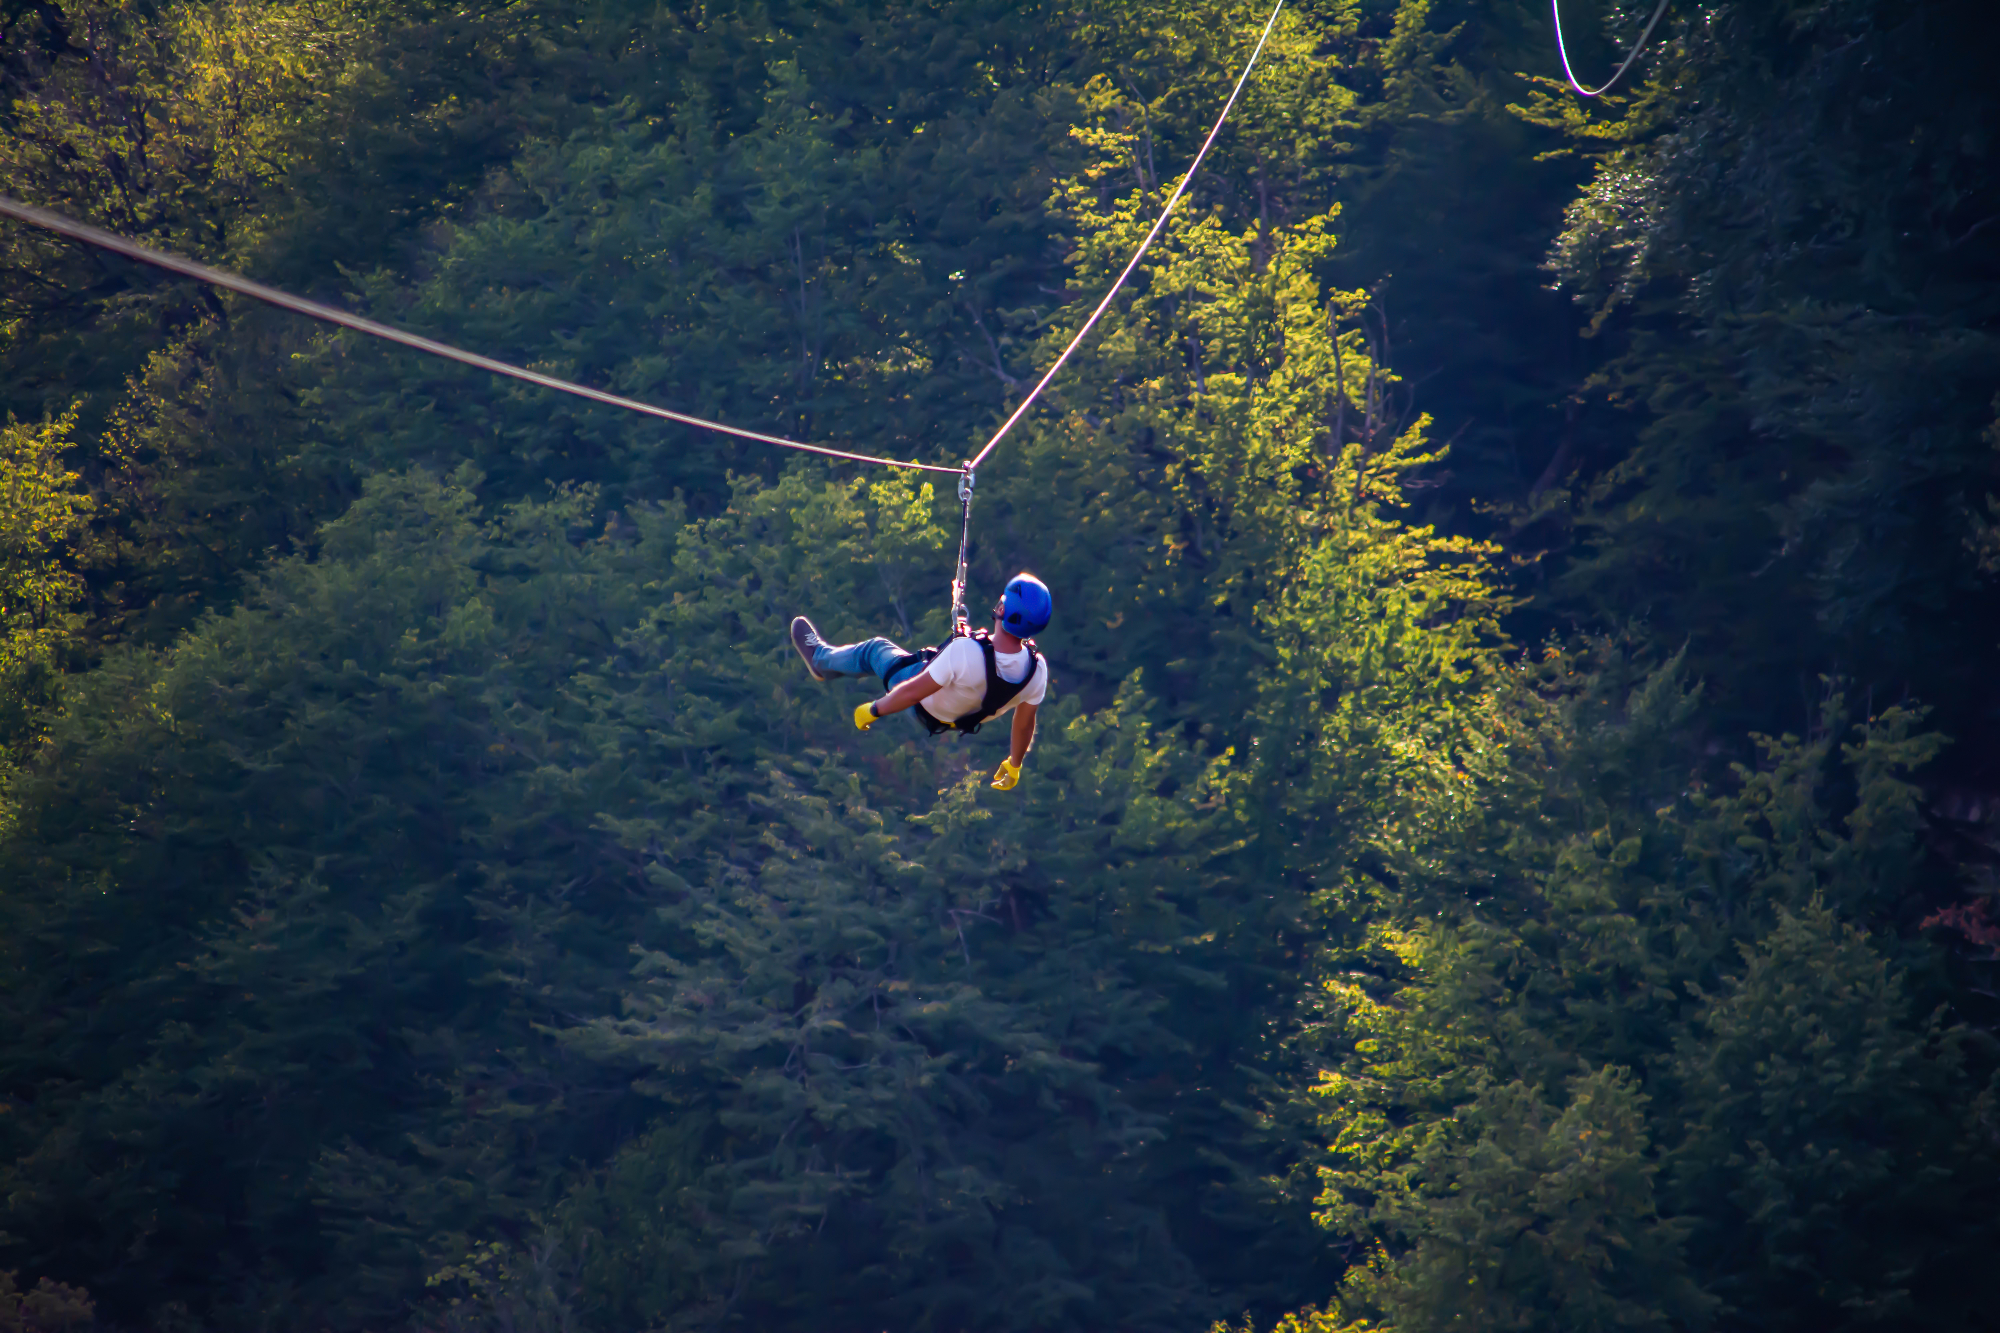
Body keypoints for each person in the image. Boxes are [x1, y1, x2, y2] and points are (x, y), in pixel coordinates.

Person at [789, 574, 1052, 791]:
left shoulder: (966, 652)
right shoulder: (1036, 669)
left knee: (875, 650)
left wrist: (874, 710)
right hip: (956, 719)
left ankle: (820, 660)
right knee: (937, 659)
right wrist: (1015, 764)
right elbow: (1025, 722)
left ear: (1003, 609)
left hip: (924, 704)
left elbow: (914, 691)